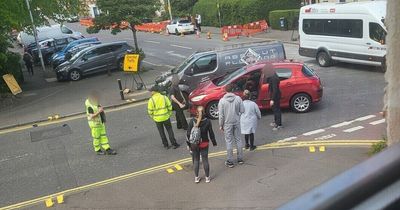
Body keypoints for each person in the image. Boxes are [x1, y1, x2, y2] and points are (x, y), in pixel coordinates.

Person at [187, 106, 217, 183]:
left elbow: (188, 134)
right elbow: (211, 133)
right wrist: (214, 142)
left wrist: (189, 145)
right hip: (204, 143)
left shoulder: (192, 121)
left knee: (196, 160)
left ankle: (196, 178)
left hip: (194, 144)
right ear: (204, 112)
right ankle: (207, 177)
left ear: (196, 112)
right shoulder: (207, 121)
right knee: (205, 160)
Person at [218, 84, 245, 168]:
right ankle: (240, 159)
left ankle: (230, 161)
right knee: (238, 140)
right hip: (236, 122)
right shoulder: (238, 98)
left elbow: (221, 115)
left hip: (227, 123)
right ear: (233, 90)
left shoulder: (222, 101)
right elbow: (242, 110)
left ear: (225, 91)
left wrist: (221, 125)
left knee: (229, 141)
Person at [148, 85, 180, 149]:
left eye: (151, 91)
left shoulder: (151, 100)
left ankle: (166, 145)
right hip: (166, 117)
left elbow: (150, 111)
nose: (150, 92)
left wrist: (153, 117)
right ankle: (174, 144)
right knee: (170, 130)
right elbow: (169, 106)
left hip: (157, 119)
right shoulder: (164, 97)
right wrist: (169, 114)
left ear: (154, 92)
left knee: (161, 132)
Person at [85, 91, 117, 155]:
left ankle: (107, 148)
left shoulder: (95, 102)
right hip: (95, 125)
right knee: (96, 138)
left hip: (100, 123)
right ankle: (97, 150)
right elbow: (91, 116)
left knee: (103, 136)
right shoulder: (90, 106)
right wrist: (99, 111)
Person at [264, 64, 282, 131]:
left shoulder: (274, 78)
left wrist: (272, 99)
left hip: (275, 97)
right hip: (275, 96)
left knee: (277, 110)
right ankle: (276, 122)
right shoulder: (273, 75)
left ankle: (278, 124)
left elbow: (275, 90)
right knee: (275, 109)